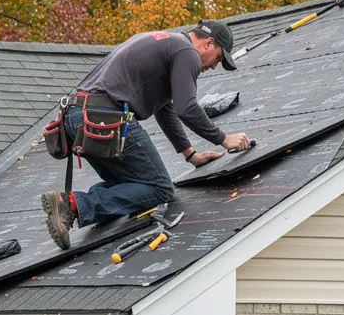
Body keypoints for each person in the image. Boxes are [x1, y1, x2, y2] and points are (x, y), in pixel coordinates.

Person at [41, 20, 252, 249]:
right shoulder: (187, 53)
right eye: (218, 59)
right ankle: (72, 205)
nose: (213, 66)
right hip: (104, 116)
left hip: (76, 116)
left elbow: (167, 108)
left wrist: (190, 155)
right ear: (209, 43)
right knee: (160, 188)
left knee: (132, 186)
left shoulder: (167, 43)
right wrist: (224, 138)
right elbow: (187, 107)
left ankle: (70, 204)